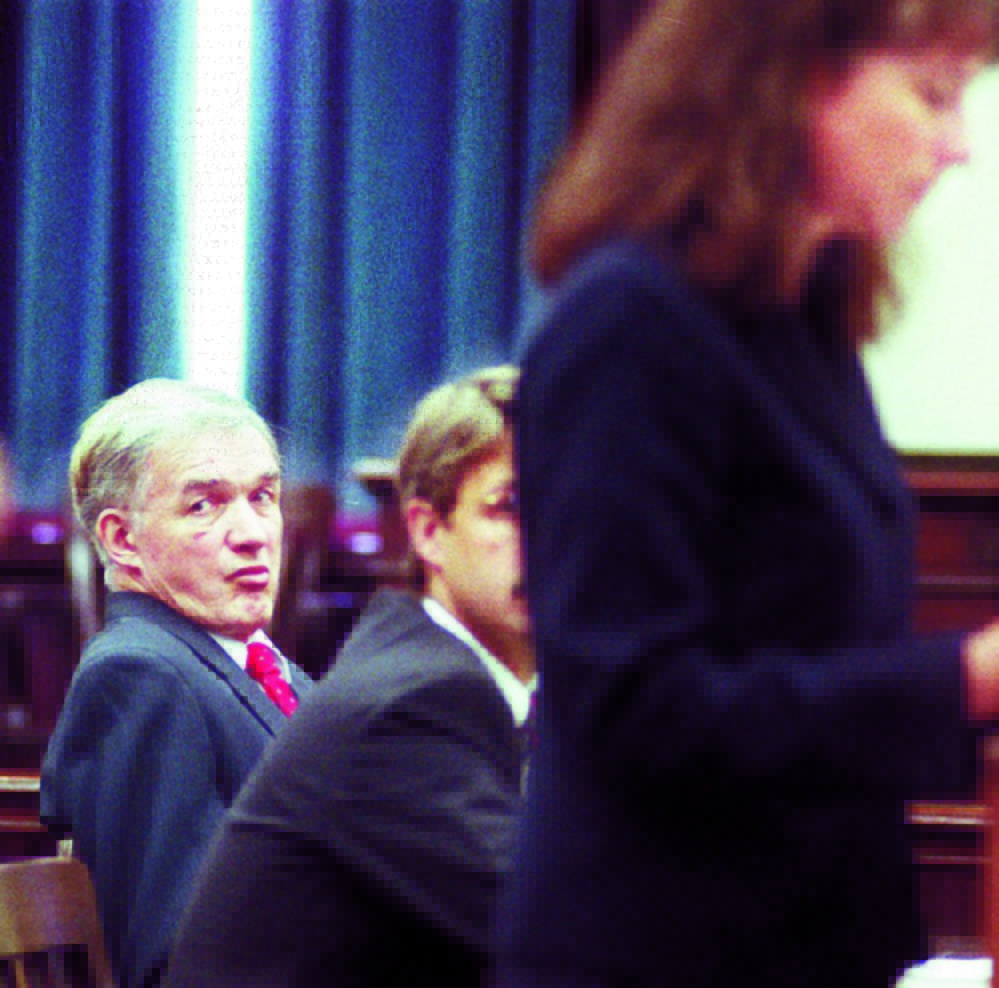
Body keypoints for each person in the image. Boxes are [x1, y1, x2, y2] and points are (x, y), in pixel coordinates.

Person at [495, 2, 999, 987]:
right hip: (656, 952)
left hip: (801, 937)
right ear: (796, 79)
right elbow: (634, 706)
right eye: (932, 96)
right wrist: (963, 678)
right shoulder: (629, 324)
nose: (958, 147)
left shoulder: (800, 322)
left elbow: (814, 657)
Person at [167, 365, 534, 987]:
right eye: (513, 507)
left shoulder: (454, 673)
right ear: (428, 532)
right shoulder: (418, 700)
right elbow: (553, 934)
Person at [41, 379, 313, 988]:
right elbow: (175, 963)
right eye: (204, 505)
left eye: (263, 496)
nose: (252, 532)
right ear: (121, 539)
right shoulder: (141, 678)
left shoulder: (265, 669)